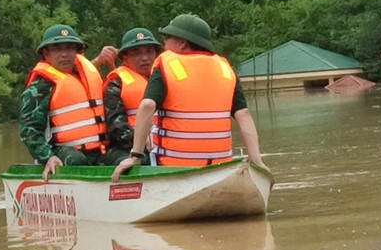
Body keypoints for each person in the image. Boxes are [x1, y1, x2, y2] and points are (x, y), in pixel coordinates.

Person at [112, 14, 267, 182]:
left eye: (167, 38)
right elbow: (243, 115)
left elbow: (148, 105)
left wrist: (135, 155)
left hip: (175, 167)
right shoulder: (224, 67)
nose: (164, 45)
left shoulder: (166, 64)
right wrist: (257, 160)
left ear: (182, 43)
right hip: (220, 167)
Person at [20, 24, 118, 180]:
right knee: (76, 161)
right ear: (46, 53)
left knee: (129, 159)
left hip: (100, 150)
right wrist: (48, 157)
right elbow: (29, 131)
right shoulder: (40, 87)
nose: (64, 54)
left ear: (77, 52)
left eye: (69, 49)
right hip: (62, 151)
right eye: (58, 49)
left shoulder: (88, 75)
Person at [102, 28, 162, 165]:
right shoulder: (116, 83)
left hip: (163, 143)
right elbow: (116, 128)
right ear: (125, 57)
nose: (145, 58)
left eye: (149, 51)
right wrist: (141, 141)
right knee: (143, 160)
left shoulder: (165, 79)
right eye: (136, 53)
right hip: (128, 146)